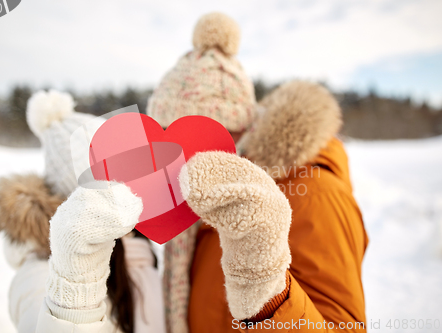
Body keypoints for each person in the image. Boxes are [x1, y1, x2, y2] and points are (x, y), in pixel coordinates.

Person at [148, 13, 368, 333]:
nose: (179, 161)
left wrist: (267, 293)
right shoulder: (197, 208)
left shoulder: (315, 195)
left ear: (236, 130)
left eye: (193, 138)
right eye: (168, 139)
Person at [0, 90, 166, 333]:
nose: (129, 187)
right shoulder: (40, 278)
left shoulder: (140, 250)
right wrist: (72, 291)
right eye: (111, 177)